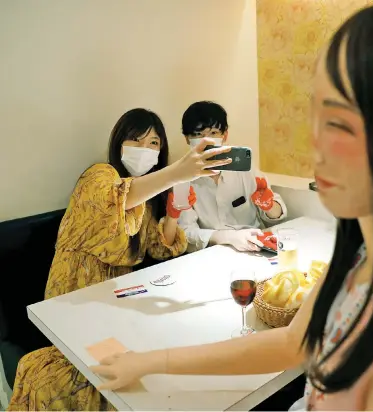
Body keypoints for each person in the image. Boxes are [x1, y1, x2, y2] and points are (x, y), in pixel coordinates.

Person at [90, 1, 373, 410]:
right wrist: (152, 361)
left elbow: (272, 215)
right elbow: (294, 342)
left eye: (339, 121)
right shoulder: (363, 257)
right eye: (315, 113)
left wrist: (265, 203)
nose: (314, 143)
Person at [7, 108, 232, 411]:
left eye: (153, 144)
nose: (145, 149)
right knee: (106, 377)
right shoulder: (99, 175)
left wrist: (174, 213)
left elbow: (162, 247)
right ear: (119, 142)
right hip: (76, 293)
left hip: (119, 300)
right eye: (135, 140)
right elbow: (116, 198)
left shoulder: (148, 198)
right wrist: (179, 172)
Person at [178, 101, 288, 252]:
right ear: (187, 139)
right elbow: (186, 232)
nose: (206, 140)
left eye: (213, 133)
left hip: (255, 247)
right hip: (212, 253)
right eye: (198, 134)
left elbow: (277, 215)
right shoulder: (182, 179)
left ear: (224, 135)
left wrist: (268, 205)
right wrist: (228, 237)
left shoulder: (244, 168)